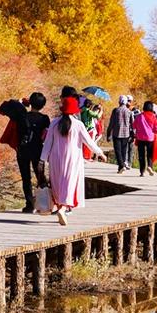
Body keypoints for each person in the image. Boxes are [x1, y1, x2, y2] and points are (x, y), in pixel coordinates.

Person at [42, 92, 102, 225]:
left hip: (55, 159)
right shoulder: (78, 124)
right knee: (69, 184)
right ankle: (63, 209)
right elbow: (89, 142)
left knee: (57, 185)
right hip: (73, 159)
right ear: (75, 110)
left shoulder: (54, 123)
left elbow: (48, 142)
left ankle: (59, 207)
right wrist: (99, 153)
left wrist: (43, 158)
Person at [16, 92, 51, 213]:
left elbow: (15, 106)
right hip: (38, 150)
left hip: (23, 150)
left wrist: (21, 103)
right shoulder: (45, 119)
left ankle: (29, 204)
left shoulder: (22, 116)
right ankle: (45, 204)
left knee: (26, 178)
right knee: (40, 176)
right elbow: (46, 136)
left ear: (30, 102)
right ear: (43, 105)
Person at [107, 95, 137, 173]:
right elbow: (133, 124)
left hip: (116, 133)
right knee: (124, 151)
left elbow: (111, 123)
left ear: (119, 101)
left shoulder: (115, 110)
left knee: (117, 151)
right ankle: (121, 167)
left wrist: (108, 134)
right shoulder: (129, 112)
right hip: (126, 134)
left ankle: (121, 165)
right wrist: (134, 135)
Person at [133, 101, 157, 177]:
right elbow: (156, 129)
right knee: (149, 154)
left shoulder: (139, 116)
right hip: (150, 138)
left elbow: (134, 126)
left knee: (141, 155)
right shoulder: (153, 117)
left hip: (140, 138)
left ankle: (142, 172)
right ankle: (150, 166)